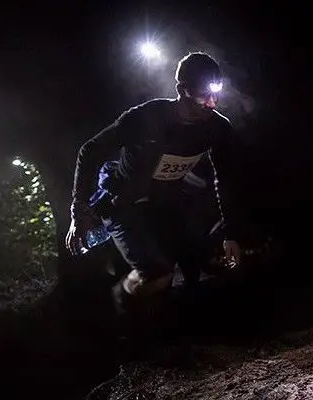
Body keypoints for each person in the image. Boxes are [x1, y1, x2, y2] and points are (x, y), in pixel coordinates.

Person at [65, 52, 242, 327]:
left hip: (163, 203)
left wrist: (231, 233)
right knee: (158, 273)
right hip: (121, 202)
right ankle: (121, 299)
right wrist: (79, 210)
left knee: (201, 260)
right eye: (203, 95)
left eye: (216, 94)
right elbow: (89, 151)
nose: (211, 102)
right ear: (182, 89)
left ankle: (167, 323)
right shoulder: (146, 118)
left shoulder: (217, 128)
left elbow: (225, 177)